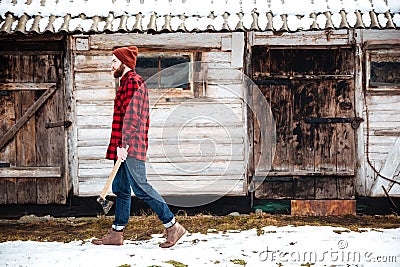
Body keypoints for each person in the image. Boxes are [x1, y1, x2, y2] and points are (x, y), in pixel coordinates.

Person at [92, 46, 186, 248]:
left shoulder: (133, 83)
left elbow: (133, 118)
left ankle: (173, 226)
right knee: (121, 188)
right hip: (124, 146)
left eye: (114, 62)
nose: (112, 66)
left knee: (141, 188)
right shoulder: (125, 83)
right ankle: (117, 233)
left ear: (124, 63)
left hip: (130, 147)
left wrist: (124, 145)